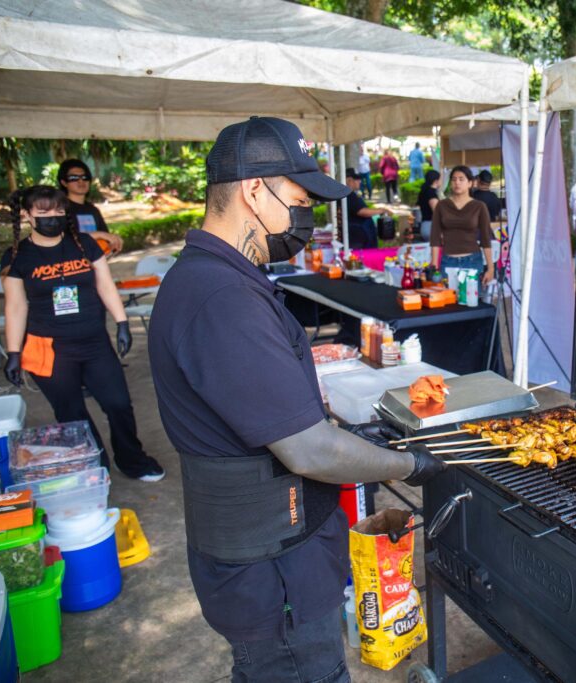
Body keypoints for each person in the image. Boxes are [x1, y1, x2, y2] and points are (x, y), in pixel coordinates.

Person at [147, 117, 446, 682]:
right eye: (300, 200)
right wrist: (410, 465)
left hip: (277, 560)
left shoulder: (218, 277)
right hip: (273, 571)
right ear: (253, 190)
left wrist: (352, 439)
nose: (305, 217)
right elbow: (309, 451)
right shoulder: (221, 297)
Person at [1, 185, 164, 482]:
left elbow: (105, 284)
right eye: (44, 212)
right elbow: (15, 306)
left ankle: (131, 459)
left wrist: (122, 322)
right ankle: (94, 465)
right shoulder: (17, 256)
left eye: (59, 210)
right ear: (26, 215)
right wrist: (13, 352)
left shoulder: (84, 243)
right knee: (71, 413)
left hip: (94, 342)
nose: (53, 217)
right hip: (49, 348)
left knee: (118, 403)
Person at [430, 165, 495, 285]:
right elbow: (435, 237)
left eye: (461, 179)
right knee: (447, 296)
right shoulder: (442, 205)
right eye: (454, 179)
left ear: (470, 183)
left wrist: (491, 268)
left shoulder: (479, 206)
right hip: (448, 261)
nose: (457, 183)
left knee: (471, 296)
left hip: (472, 261)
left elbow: (486, 238)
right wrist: (434, 265)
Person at [56, 159, 124, 255]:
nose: (81, 181)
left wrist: (114, 241)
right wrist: (99, 234)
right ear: (64, 182)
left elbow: (105, 238)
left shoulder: (93, 210)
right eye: (73, 178)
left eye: (85, 177)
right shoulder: (58, 210)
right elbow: (60, 240)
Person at [343, 168, 391, 249]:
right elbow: (362, 211)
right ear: (349, 180)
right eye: (357, 179)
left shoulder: (351, 194)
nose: (359, 181)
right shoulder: (348, 195)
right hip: (357, 239)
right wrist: (381, 210)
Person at [417, 169, 442, 241]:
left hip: (426, 225)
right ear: (436, 181)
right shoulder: (431, 193)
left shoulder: (425, 191)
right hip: (431, 227)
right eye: (440, 179)